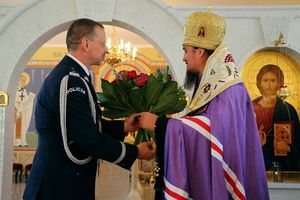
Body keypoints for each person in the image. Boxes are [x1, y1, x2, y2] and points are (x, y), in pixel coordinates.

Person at [139, 11, 269, 199]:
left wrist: (159, 125)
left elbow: (213, 132)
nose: (184, 57)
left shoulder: (229, 90)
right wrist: (165, 139)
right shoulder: (213, 85)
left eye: (186, 50)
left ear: (200, 51)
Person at [23, 18, 155, 200]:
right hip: (59, 185)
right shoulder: (70, 80)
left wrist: (123, 126)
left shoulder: (75, 76)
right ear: (86, 43)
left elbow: (86, 123)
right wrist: (135, 152)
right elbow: (87, 138)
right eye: (102, 43)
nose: (107, 50)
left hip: (65, 181)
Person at [252, 64, 300, 171]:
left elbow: (298, 141)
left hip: (283, 165)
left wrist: (288, 148)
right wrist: (256, 143)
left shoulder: (288, 110)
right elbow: (238, 141)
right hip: (256, 164)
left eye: (273, 80)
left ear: (279, 83)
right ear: (259, 83)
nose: (269, 84)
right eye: (265, 80)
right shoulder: (249, 109)